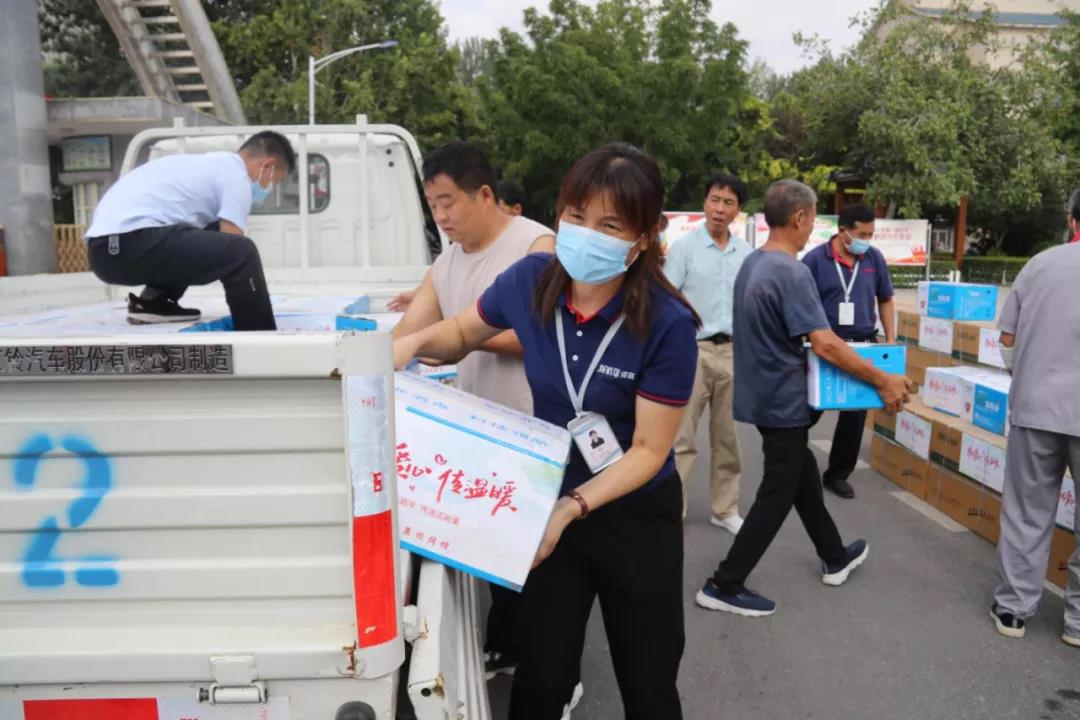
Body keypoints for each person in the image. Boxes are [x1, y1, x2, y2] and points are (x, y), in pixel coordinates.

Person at [394, 142, 700, 719]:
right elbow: (460, 333)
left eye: (609, 225)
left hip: (634, 517)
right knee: (539, 680)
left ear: (642, 238)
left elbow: (647, 450)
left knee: (649, 685)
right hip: (548, 500)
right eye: (576, 216)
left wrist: (570, 508)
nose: (586, 234)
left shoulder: (667, 322)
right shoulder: (533, 279)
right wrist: (405, 346)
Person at [695, 180, 911, 618]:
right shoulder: (791, 271)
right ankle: (724, 583)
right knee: (779, 489)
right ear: (798, 218)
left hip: (764, 394)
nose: (813, 228)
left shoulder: (755, 261)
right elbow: (825, 342)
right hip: (784, 400)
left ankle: (834, 555)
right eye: (812, 220)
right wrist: (881, 379)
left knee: (802, 474)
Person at [391, 142, 555, 681]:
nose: (440, 216)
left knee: (543, 564)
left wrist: (463, 338)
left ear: (484, 195)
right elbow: (410, 331)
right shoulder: (447, 262)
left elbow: (545, 336)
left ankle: (558, 671)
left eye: (447, 203)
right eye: (432, 205)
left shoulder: (535, 246)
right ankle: (507, 648)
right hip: (480, 435)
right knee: (495, 555)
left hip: (535, 431)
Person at [84, 131, 295, 330]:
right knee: (242, 252)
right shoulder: (237, 176)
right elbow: (233, 244)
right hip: (129, 242)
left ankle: (154, 302)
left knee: (210, 231)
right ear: (267, 166)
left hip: (104, 251)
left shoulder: (210, 165)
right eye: (275, 181)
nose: (270, 188)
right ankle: (258, 331)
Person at [990, 189, 1080, 646]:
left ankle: (1013, 609)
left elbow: (1006, 337)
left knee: (1027, 511)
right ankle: (1078, 623)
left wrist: (1023, 372)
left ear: (1071, 220)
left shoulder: (1040, 265)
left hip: (1036, 407)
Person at [664, 173, 751, 531]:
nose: (719, 208)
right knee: (681, 437)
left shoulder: (746, 254)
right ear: (705, 202)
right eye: (714, 200)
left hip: (732, 352)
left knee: (728, 437)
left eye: (728, 202)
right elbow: (668, 298)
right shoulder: (684, 248)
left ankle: (725, 509)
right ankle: (672, 509)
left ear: (738, 209)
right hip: (692, 350)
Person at [801, 203, 896, 499]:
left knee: (854, 415)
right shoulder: (815, 260)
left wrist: (891, 338)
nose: (867, 240)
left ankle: (838, 474)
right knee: (807, 410)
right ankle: (793, 462)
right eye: (862, 234)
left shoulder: (873, 258)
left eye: (871, 234)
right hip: (825, 345)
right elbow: (802, 304)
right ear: (843, 231)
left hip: (863, 343)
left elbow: (885, 298)